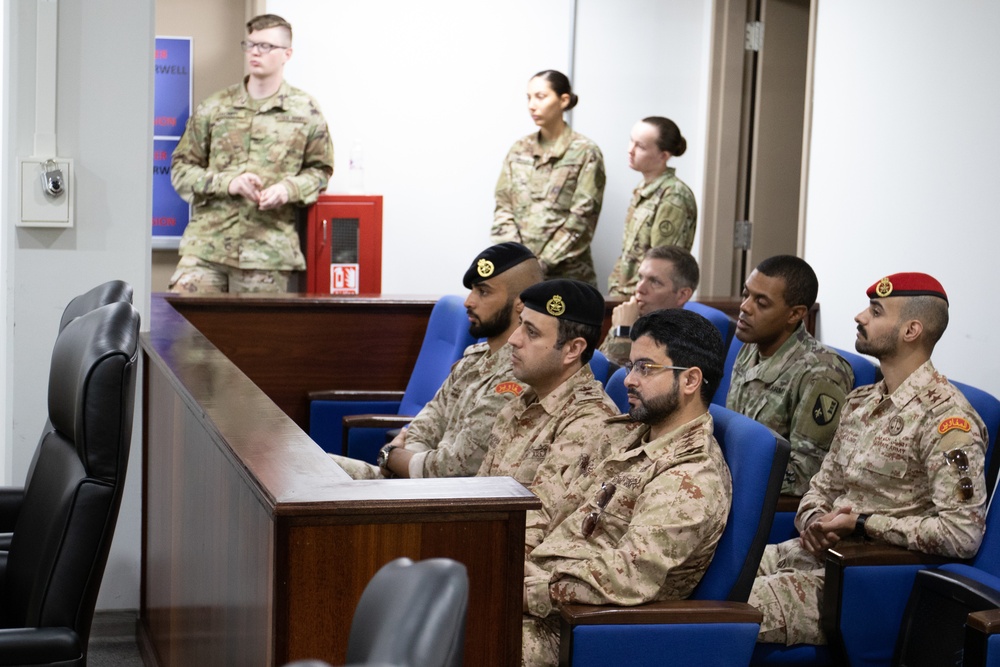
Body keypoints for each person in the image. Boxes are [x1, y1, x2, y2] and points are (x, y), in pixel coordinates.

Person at [749, 272, 988, 647]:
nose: (860, 316)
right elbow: (820, 487)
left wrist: (862, 523)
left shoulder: (946, 419)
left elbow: (962, 534)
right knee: (697, 574)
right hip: (810, 554)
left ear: (911, 331)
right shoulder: (861, 402)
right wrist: (813, 520)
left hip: (864, 583)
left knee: (720, 611)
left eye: (876, 311)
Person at [521, 308, 732, 666]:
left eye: (645, 368)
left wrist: (526, 587)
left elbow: (627, 577)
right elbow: (550, 500)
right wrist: (512, 556)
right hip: (539, 591)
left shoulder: (691, 477)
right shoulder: (622, 433)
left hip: (576, 628)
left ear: (691, 381)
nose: (628, 380)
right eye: (631, 366)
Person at [332, 242, 543, 480]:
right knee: (312, 469)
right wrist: (407, 463)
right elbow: (426, 422)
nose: (469, 301)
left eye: (483, 292)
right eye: (472, 290)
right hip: (413, 484)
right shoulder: (474, 359)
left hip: (444, 501)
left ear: (521, 304)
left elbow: (457, 468)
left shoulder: (518, 374)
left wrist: (393, 457)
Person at [169, 14, 334, 293]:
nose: (256, 52)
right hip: (207, 249)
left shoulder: (305, 110)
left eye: (266, 46)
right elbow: (181, 170)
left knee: (258, 337)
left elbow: (321, 171)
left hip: (268, 254)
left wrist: (288, 188)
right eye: (251, 44)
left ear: (287, 54)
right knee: (184, 331)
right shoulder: (215, 106)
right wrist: (229, 183)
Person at [476, 279, 620, 551]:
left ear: (572, 350)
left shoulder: (588, 423)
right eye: (520, 324)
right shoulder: (523, 402)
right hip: (481, 543)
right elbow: (480, 495)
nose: (513, 339)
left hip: (510, 565)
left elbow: (534, 533)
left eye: (531, 332)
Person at [727, 255, 854, 495]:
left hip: (764, 500)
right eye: (746, 295)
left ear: (795, 314)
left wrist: (726, 473)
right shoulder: (751, 345)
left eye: (761, 303)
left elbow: (806, 474)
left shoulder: (821, 372)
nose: (745, 307)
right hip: (733, 481)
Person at [491, 70, 606, 286]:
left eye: (540, 97)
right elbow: (503, 208)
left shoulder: (585, 151)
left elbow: (582, 218)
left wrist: (538, 265)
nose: (532, 105)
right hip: (518, 276)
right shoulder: (519, 149)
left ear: (563, 100)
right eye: (529, 97)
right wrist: (516, 262)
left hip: (568, 278)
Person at [607, 117, 697, 298]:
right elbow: (629, 252)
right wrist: (615, 286)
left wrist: (633, 295)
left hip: (647, 299)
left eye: (640, 146)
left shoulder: (673, 195)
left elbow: (661, 268)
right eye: (631, 141)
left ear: (663, 155)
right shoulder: (644, 189)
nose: (630, 150)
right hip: (625, 295)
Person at [598, 245, 699, 366]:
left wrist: (623, 334)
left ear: (682, 295)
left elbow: (621, 380)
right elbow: (597, 371)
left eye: (655, 282)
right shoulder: (634, 318)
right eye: (640, 277)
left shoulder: (683, 343)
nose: (640, 288)